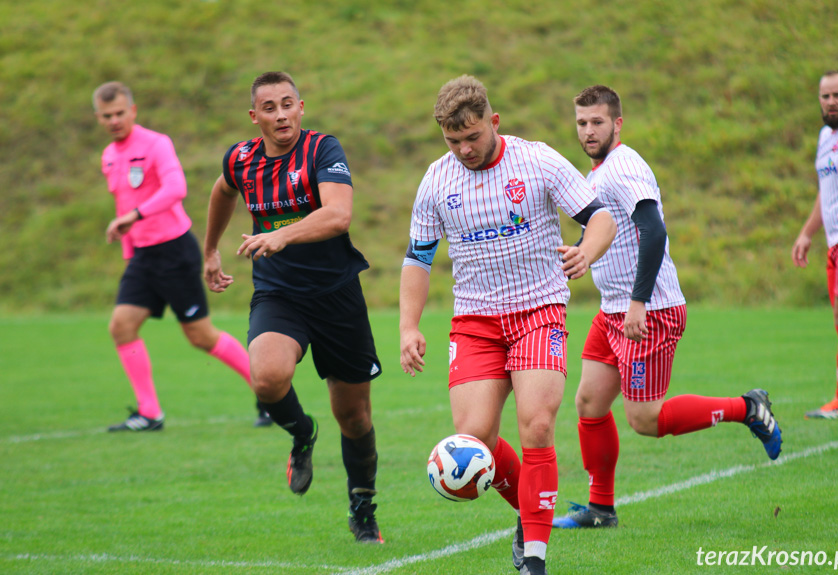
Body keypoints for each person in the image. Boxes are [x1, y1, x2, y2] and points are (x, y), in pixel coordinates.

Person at [399, 75, 617, 575]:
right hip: (474, 320)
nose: (464, 149)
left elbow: (600, 216)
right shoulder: (437, 179)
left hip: (538, 311)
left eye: (472, 137)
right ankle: (529, 505)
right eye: (453, 141)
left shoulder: (536, 161)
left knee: (536, 425)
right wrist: (409, 326)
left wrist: (587, 250)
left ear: (493, 122)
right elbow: (418, 258)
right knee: (473, 441)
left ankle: (534, 559)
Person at [552, 85, 783, 530]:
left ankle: (748, 407)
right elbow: (610, 230)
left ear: (617, 124)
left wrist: (638, 303)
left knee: (646, 420)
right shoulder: (597, 173)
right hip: (613, 310)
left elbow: (653, 232)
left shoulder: (624, 167)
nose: (588, 130)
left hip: (648, 312)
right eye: (581, 122)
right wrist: (579, 252)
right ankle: (601, 509)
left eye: (597, 121)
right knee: (589, 403)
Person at [203, 71, 383, 543]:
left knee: (355, 417)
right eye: (269, 107)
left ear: (301, 107)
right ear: (254, 116)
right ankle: (302, 434)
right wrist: (210, 250)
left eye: (288, 104)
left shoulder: (323, 150)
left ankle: (362, 505)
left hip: (337, 296)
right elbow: (222, 191)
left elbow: (338, 215)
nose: (280, 114)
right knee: (266, 376)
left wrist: (281, 233)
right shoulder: (241, 159)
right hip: (279, 294)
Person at [93, 81, 265, 432]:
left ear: (133, 111)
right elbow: (123, 206)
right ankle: (150, 413)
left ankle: (270, 395)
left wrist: (134, 216)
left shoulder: (156, 144)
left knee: (201, 336)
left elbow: (176, 189)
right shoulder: (110, 156)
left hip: (174, 251)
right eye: (106, 116)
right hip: (142, 258)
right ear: (98, 118)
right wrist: (129, 243)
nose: (114, 120)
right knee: (121, 327)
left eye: (120, 113)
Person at [792, 70, 838, 420]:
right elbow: (827, 190)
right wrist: (807, 232)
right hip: (836, 242)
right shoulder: (825, 136)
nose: (831, 102)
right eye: (825, 96)